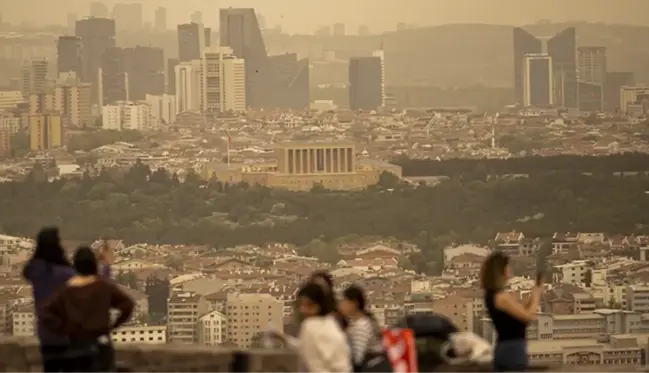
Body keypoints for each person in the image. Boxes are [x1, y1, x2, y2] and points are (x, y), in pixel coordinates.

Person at [23, 229, 114, 373]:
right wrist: (105, 266)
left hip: (45, 334)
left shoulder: (35, 271)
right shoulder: (64, 274)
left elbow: (30, 268)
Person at [40, 246, 134, 373]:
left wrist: (63, 329)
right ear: (94, 265)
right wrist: (113, 325)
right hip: (101, 344)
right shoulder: (103, 287)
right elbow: (127, 304)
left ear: (76, 266)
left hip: (76, 347)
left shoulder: (66, 291)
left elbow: (45, 313)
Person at [480, 251, 542, 372]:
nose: (510, 269)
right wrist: (537, 295)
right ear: (501, 271)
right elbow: (528, 317)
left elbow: (520, 315)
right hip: (513, 351)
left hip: (506, 348)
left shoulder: (492, 295)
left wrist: (532, 296)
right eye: (507, 266)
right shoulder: (501, 297)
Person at [285, 282, 351, 373]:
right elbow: (306, 348)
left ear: (320, 305)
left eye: (309, 305)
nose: (303, 310)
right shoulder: (331, 323)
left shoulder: (309, 326)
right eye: (302, 305)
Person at [339, 285, 392, 373]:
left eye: (344, 302)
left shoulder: (362, 325)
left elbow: (358, 358)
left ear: (354, 303)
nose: (341, 305)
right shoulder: (360, 322)